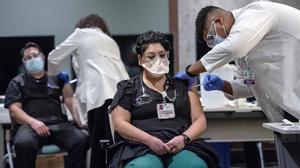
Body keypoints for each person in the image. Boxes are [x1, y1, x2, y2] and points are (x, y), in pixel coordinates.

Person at [109, 31, 219, 168]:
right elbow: (119, 123)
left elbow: (200, 120)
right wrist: (149, 140)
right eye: (151, 56)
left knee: (194, 165)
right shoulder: (129, 89)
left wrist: (183, 138)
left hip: (181, 146)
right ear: (140, 59)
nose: (158, 60)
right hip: (141, 147)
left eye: (162, 55)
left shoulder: (182, 86)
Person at [175, 1, 300, 122]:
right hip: (286, 109)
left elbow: (232, 48)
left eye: (211, 38)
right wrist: (222, 85)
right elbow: (249, 84)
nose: (214, 45)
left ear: (218, 21)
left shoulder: (257, 12)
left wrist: (190, 71)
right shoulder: (243, 48)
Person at [47, 14, 129, 168]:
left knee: (99, 152)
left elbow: (53, 58)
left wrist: (52, 79)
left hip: (100, 98)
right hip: (123, 98)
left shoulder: (81, 34)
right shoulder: (111, 41)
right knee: (117, 150)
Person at [4, 42, 89, 168]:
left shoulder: (55, 78)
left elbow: (69, 100)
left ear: (42, 57)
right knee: (23, 143)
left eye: (35, 55)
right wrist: (33, 122)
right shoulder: (17, 82)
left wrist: (66, 84)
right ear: (24, 61)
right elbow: (14, 110)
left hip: (58, 124)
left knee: (81, 140)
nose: (32, 59)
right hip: (29, 126)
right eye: (28, 58)